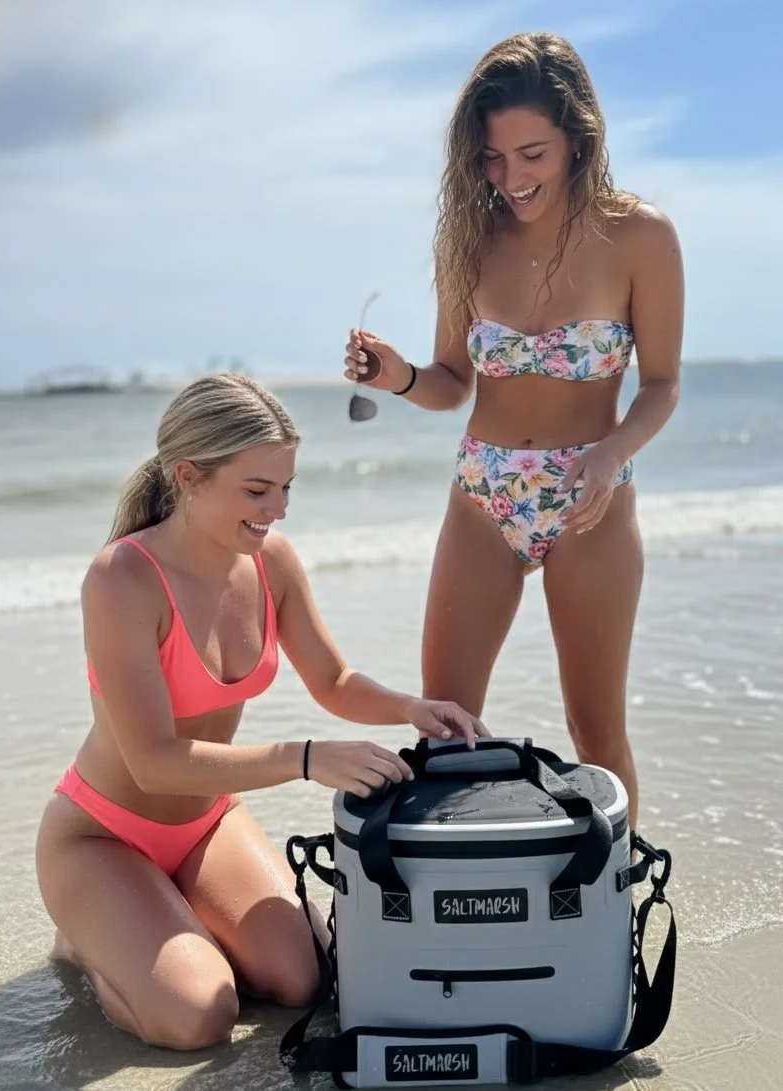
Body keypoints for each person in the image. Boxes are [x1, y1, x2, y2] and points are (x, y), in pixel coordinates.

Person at [35, 373, 487, 1051]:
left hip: (205, 823)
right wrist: (305, 759)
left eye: (285, 488)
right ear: (188, 475)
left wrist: (413, 707)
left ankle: (167, 919)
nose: (277, 509)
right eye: (256, 490)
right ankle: (91, 942)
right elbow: (154, 763)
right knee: (200, 1015)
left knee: (305, 979)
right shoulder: (121, 577)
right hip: (101, 836)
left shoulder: (270, 561)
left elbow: (334, 681)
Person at [344, 31, 684, 832]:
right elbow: (452, 382)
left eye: (532, 153)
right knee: (447, 726)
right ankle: (458, 894)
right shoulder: (472, 240)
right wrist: (397, 376)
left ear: (578, 137)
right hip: (484, 494)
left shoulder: (641, 237)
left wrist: (612, 453)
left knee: (596, 733)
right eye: (493, 158)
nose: (511, 177)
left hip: (591, 498)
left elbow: (662, 385)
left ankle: (615, 894)